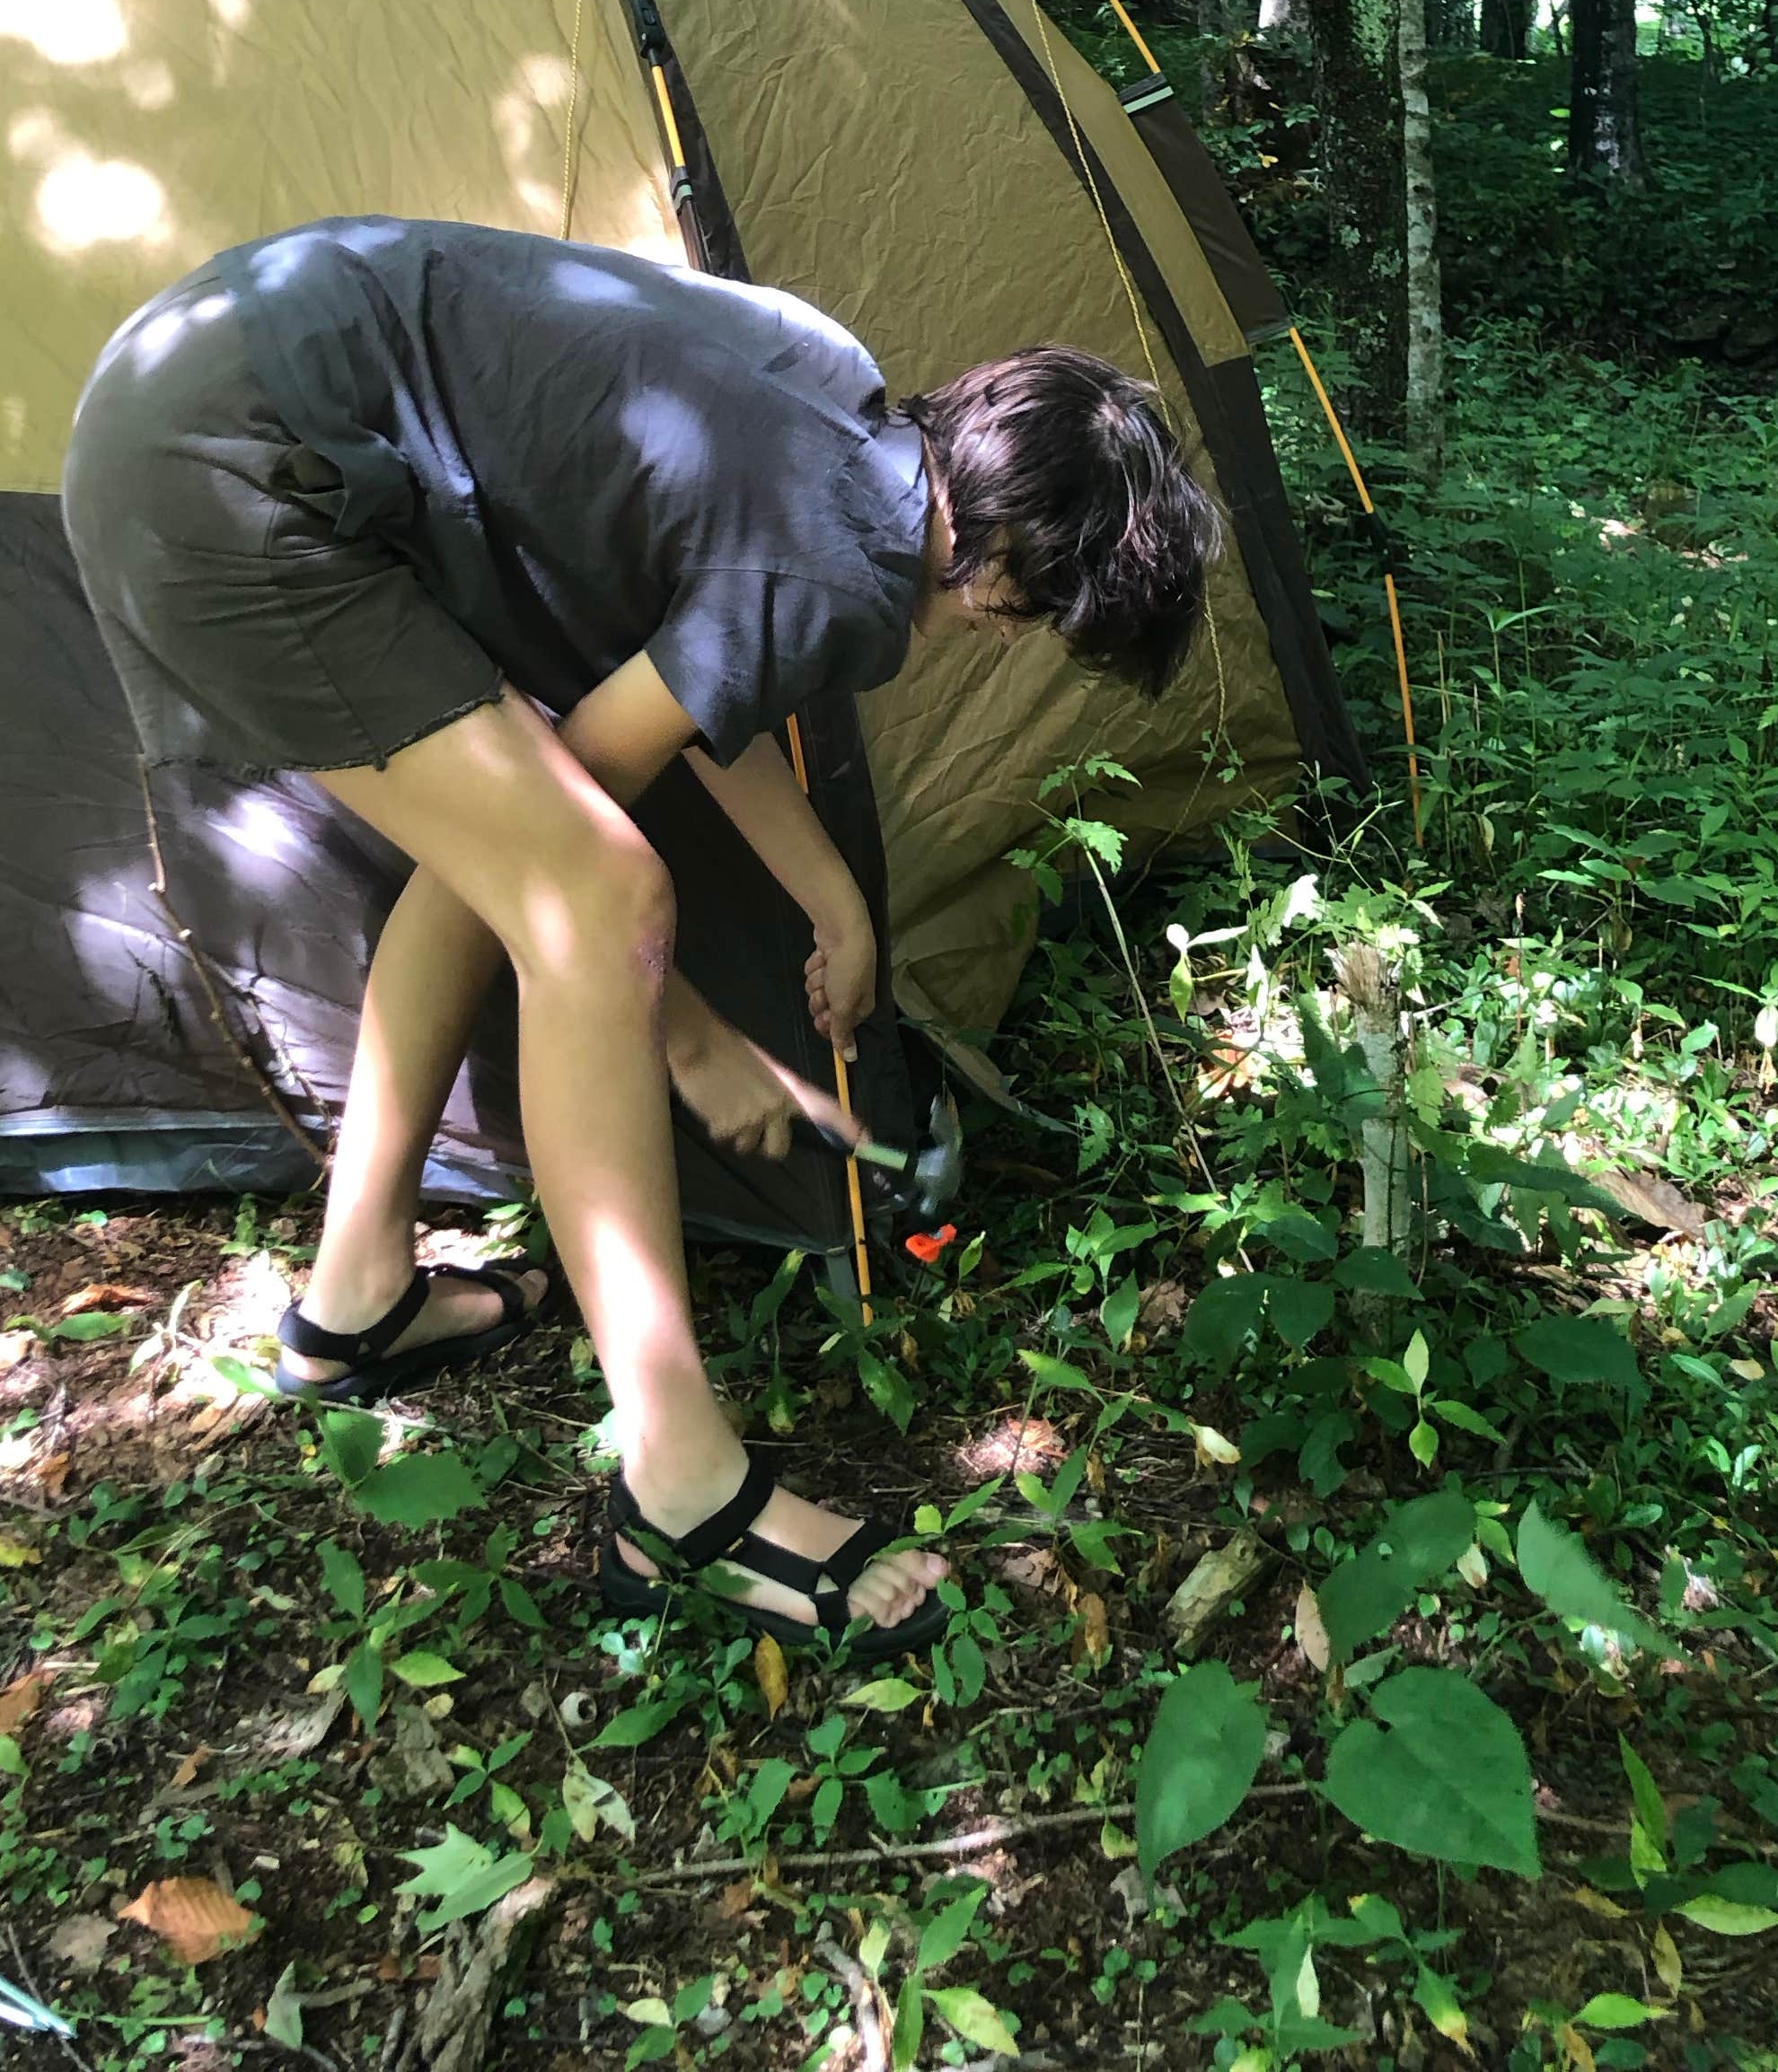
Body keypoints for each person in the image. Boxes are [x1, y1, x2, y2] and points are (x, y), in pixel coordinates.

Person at [63, 215, 1218, 1654]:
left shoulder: (833, 397)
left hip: (205, 384)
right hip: (232, 478)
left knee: (513, 859)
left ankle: (353, 1300)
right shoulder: (850, 564)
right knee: (601, 897)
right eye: (1044, 619)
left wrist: (832, 901)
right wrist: (698, 1043)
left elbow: (673, 684)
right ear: (1015, 566)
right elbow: (600, 826)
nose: (1010, 639)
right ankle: (680, 1488)